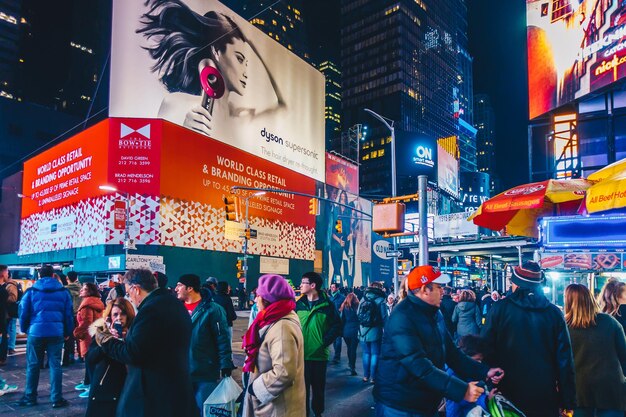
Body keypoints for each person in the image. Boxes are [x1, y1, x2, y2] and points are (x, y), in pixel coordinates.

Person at [139, 0, 283, 139]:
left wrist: (250, 35)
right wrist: (183, 134)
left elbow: (286, 106)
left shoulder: (242, 119)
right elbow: (159, 155)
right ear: (216, 52)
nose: (246, 72)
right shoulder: (177, 103)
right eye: (239, 59)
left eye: (247, 63)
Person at [374, 265, 503, 417]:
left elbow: (452, 354)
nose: (443, 291)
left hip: (424, 400)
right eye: (438, 287)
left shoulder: (435, 314)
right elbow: (419, 366)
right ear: (424, 290)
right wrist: (462, 390)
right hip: (399, 404)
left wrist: (484, 371)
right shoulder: (402, 317)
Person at [94, 269, 195, 417]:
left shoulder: (150, 310)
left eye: (128, 292)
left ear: (136, 289)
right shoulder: (174, 304)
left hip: (153, 395)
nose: (129, 297)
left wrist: (107, 340)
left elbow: (132, 353)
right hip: (176, 388)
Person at [481, 261, 575, 417]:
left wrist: (490, 380)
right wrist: (567, 400)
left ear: (517, 284)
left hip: (507, 391)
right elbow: (565, 360)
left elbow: (485, 347)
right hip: (544, 393)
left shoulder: (499, 308)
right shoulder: (554, 313)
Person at [243, 274, 305, 417]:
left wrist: (255, 389)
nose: (256, 299)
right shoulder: (272, 319)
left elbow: (284, 372)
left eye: (258, 295)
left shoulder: (282, 326)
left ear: (268, 299)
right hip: (270, 404)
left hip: (277, 407)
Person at [564, 283, 626, 417]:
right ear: (590, 298)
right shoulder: (610, 322)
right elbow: (624, 356)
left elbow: (560, 362)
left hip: (579, 392)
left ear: (567, 301)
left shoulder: (564, 327)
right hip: (611, 391)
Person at [175, 273, 234, 412]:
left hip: (205, 373)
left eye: (179, 285)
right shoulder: (176, 309)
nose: (176, 289)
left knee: (204, 411)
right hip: (181, 373)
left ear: (189, 288)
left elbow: (222, 339)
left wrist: (225, 364)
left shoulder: (213, 309)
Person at [18, 265, 74, 408]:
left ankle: (30, 397)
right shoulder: (63, 291)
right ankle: (56, 398)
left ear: (39, 275)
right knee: (55, 365)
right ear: (53, 275)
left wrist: (25, 328)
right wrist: (68, 332)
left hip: (36, 332)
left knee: (33, 365)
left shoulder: (31, 291)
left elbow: (24, 312)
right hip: (56, 332)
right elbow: (68, 314)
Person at [295, 272, 342, 417]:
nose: (301, 285)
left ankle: (318, 413)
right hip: (300, 355)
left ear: (313, 285)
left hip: (319, 356)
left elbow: (337, 326)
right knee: (302, 390)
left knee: (318, 389)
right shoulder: (298, 305)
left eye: (304, 282)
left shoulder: (327, 305)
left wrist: (324, 342)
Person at [85, 298, 136, 417]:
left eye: (123, 313)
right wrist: (107, 341)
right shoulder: (102, 333)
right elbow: (90, 358)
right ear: (109, 317)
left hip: (129, 384)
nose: (119, 318)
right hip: (106, 386)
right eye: (115, 314)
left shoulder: (135, 332)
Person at [445, 335, 495, 417]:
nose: (479, 363)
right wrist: (486, 400)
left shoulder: (475, 372)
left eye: (481, 360)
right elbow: (453, 409)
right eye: (477, 360)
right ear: (465, 358)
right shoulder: (454, 377)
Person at [357, 281, 387, 383]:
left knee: (366, 353)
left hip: (362, 331)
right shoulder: (381, 300)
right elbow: (384, 317)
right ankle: (373, 378)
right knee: (375, 354)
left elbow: (358, 314)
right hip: (375, 330)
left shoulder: (363, 298)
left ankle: (365, 376)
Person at [74, 283, 105, 362]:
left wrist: (77, 332)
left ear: (90, 291)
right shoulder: (97, 302)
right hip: (97, 336)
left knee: (89, 365)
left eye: (84, 289)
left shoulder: (87, 305)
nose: (81, 290)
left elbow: (87, 322)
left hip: (88, 338)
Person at [0, 265, 18, 364]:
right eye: (7, 272)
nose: (8, 274)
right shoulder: (3, 291)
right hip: (2, 319)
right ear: (3, 274)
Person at [63, 271, 81, 366]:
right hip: (79, 316)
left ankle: (69, 356)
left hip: (69, 315)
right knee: (79, 336)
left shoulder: (64, 290)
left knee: (68, 337)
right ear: (76, 278)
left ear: (67, 278)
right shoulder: (82, 289)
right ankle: (81, 355)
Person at [339, 293, 360, 376]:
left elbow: (342, 320)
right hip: (355, 331)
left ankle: (350, 363)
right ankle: (352, 367)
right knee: (353, 349)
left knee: (349, 348)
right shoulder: (357, 307)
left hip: (346, 331)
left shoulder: (344, 307)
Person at [213, 281, 238, 345]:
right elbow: (232, 315)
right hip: (227, 325)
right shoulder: (227, 299)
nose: (229, 289)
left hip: (214, 325)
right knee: (227, 345)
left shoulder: (213, 298)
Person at [328, 282, 345, 364]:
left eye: (333, 287)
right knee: (334, 339)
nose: (332, 288)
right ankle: (336, 355)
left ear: (337, 288)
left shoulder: (342, 298)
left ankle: (337, 356)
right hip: (331, 321)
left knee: (338, 339)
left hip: (339, 321)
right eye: (331, 287)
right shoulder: (330, 298)